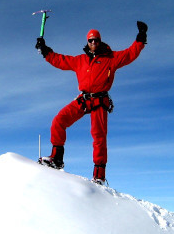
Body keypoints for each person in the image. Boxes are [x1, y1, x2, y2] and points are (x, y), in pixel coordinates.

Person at [36, 21, 147, 184]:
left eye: (96, 40)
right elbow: (60, 60)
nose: (93, 42)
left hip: (100, 100)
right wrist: (45, 50)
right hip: (84, 99)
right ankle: (56, 159)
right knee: (59, 120)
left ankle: (99, 176)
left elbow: (130, 53)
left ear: (100, 41)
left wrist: (141, 37)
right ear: (87, 42)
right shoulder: (80, 60)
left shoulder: (111, 58)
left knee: (99, 137)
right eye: (90, 40)